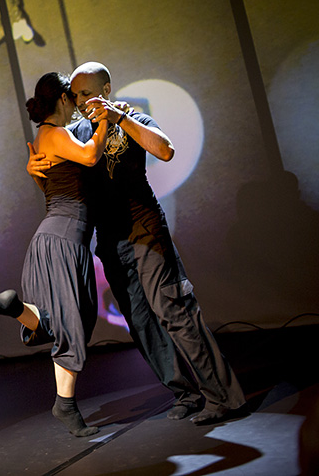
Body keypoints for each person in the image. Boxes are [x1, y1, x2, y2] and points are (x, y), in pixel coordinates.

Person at [27, 62, 246, 425]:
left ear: (106, 89)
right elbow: (58, 178)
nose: (81, 102)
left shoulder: (132, 118)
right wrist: (34, 170)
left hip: (145, 232)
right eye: (75, 96)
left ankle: (224, 397)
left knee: (175, 312)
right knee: (142, 323)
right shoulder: (75, 132)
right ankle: (185, 393)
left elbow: (165, 150)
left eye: (87, 94)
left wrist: (119, 118)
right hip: (111, 242)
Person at [0, 72, 108, 437]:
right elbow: (90, 155)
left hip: (52, 239)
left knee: (59, 321)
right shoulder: (55, 133)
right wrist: (105, 122)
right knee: (73, 323)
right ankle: (65, 405)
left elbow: (54, 181)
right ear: (63, 99)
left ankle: (16, 307)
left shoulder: (45, 138)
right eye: (74, 97)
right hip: (64, 239)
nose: (77, 104)